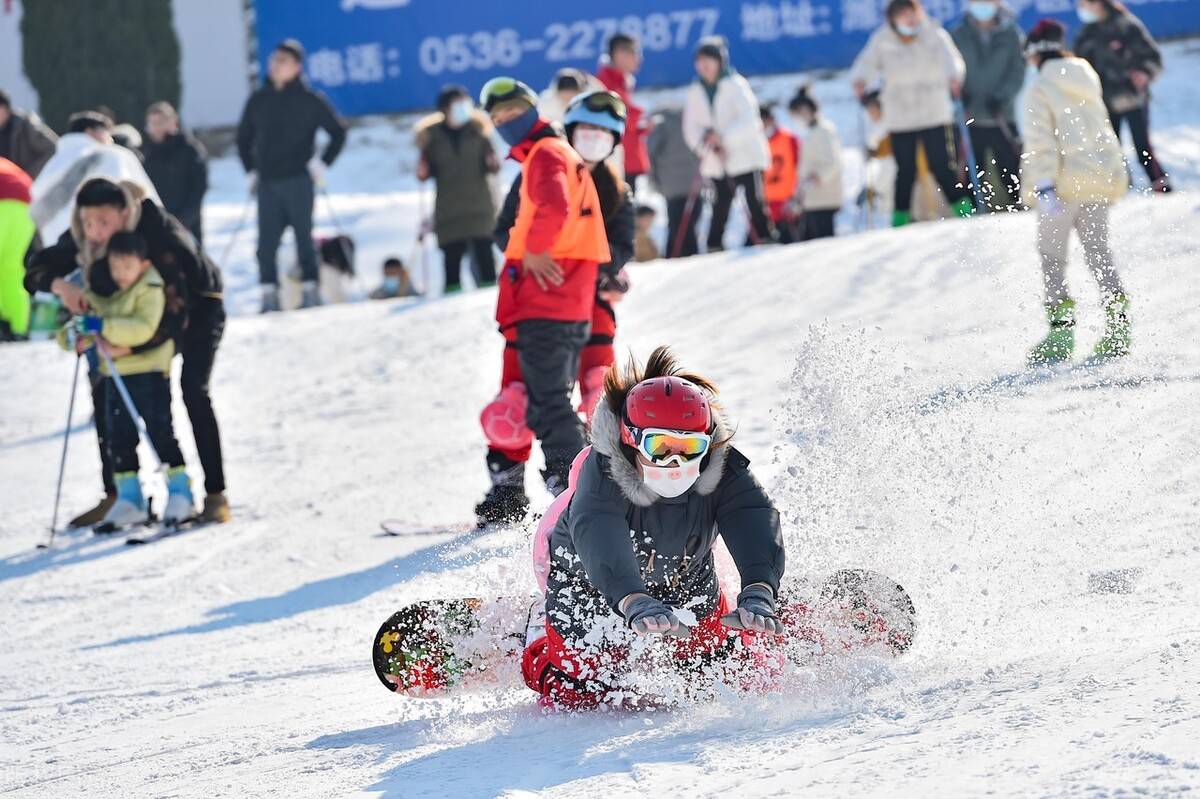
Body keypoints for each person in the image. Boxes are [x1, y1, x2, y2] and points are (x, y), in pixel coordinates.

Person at [520, 346, 786, 709]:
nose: (676, 460)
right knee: (581, 690)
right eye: (659, 447)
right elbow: (597, 528)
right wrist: (631, 597)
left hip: (683, 573)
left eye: (690, 447)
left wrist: (758, 586)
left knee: (719, 670)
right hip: (585, 577)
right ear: (630, 439)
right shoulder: (607, 471)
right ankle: (532, 635)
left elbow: (751, 513)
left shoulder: (720, 467)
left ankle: (729, 633)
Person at [25, 177, 230, 526]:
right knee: (105, 390)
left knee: (192, 390)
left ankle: (214, 493)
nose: (95, 232)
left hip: (197, 310)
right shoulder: (85, 231)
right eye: (88, 222)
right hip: (125, 318)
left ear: (124, 213)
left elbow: (174, 313)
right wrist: (62, 287)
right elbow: (34, 271)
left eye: (104, 222)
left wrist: (129, 346)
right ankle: (119, 494)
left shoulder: (158, 235)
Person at [474, 77, 610, 525]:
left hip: (547, 304)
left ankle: (577, 501)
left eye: (513, 111)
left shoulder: (547, 152)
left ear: (533, 108)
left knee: (548, 405)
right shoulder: (553, 152)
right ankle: (545, 495)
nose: (505, 122)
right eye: (498, 118)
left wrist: (535, 248)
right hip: (553, 303)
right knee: (536, 402)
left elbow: (553, 206)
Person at [55, 231, 194, 526]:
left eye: (127, 267)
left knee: (159, 431)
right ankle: (130, 498)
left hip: (150, 372)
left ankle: (181, 492)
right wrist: (75, 336)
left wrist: (101, 325)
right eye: (116, 267)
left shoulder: (151, 288)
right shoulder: (102, 291)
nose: (121, 275)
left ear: (142, 265)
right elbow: (84, 325)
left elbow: (140, 330)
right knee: (118, 437)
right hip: (114, 376)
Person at [1021, 19, 1130, 365]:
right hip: (1097, 180)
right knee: (1099, 253)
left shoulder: (1040, 88)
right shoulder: (1087, 78)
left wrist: (1044, 186)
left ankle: (1061, 333)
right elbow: (1103, 130)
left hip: (1062, 187)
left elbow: (1041, 142)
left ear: (1035, 54)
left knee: (1053, 257)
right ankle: (1119, 328)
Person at [237, 38, 347, 312]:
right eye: (274, 60)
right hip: (268, 181)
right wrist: (250, 169)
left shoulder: (309, 100)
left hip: (299, 178)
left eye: (282, 61)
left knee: (304, 239)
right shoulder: (259, 100)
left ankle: (311, 290)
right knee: (266, 243)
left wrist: (322, 163)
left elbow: (338, 132)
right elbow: (243, 138)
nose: (275, 66)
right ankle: (269, 294)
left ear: (297, 67)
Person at [851, 0, 975, 227]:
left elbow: (952, 60)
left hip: (934, 112)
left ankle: (966, 213)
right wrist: (860, 80)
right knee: (905, 171)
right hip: (901, 115)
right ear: (893, 19)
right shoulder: (882, 40)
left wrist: (954, 77)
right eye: (904, 16)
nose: (911, 20)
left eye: (913, 15)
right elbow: (866, 64)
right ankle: (900, 220)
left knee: (943, 167)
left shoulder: (934, 34)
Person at [683, 36, 773, 251]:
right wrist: (706, 143)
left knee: (754, 200)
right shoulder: (695, 90)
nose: (704, 65)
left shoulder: (736, 84)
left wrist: (723, 138)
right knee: (720, 203)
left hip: (745, 155)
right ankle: (714, 245)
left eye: (709, 60)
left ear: (719, 61)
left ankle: (765, 238)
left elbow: (750, 121)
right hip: (716, 158)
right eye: (700, 61)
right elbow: (690, 127)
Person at [1074, 0, 1171, 193]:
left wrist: (1144, 73)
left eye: (1086, 4)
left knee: (1142, 146)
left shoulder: (1126, 25)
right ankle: (1120, 189)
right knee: (1110, 149)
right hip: (1104, 100)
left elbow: (1153, 58)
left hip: (1132, 97)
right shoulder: (1088, 33)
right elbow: (1079, 63)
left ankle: (1161, 186)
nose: (1083, 9)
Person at [415, 85, 499, 294]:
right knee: (451, 257)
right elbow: (424, 172)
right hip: (449, 207)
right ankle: (451, 299)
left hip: (478, 204)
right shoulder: (431, 138)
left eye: (465, 102)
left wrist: (493, 162)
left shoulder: (478, 131)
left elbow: (494, 166)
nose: (463, 108)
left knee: (484, 255)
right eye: (456, 104)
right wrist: (423, 170)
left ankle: (491, 296)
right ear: (444, 109)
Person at [950, 0, 1027, 210]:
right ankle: (972, 212)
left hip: (1001, 113)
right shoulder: (958, 34)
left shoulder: (1011, 33)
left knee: (1009, 165)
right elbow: (950, 69)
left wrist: (1002, 96)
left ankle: (1018, 206)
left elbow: (1018, 71)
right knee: (969, 168)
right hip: (969, 115)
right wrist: (959, 92)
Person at [141, 101, 208, 246]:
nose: (156, 128)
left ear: (173, 122)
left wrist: (184, 220)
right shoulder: (146, 153)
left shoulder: (190, 150)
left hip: (186, 224)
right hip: (156, 225)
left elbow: (199, 188)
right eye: (152, 124)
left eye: (160, 122)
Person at [789, 88, 844, 241]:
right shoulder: (811, 132)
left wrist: (816, 178)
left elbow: (833, 163)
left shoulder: (824, 131)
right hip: (812, 200)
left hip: (823, 199)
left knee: (823, 243)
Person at [646, 107, 701, 258]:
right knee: (690, 220)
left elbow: (651, 153)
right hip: (693, 181)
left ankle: (673, 253)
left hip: (670, 183)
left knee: (676, 221)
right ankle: (690, 252)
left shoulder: (661, 128)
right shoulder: (691, 125)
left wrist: (654, 178)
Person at [596, 34, 649, 186]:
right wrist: (641, 118)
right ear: (619, 54)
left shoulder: (622, 82)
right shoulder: (606, 85)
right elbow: (622, 119)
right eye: (635, 52)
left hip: (626, 161)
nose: (639, 58)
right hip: (616, 162)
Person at [0, 158, 34, 341]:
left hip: (3, 200)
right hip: (26, 202)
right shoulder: (5, 162)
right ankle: (18, 327)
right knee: (10, 268)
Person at [760, 105, 802, 244]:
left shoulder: (789, 138)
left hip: (788, 202)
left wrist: (796, 196)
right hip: (767, 203)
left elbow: (800, 166)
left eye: (765, 121)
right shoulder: (758, 143)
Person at [0, 90, 57, 178]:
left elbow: (51, 150)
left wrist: (26, 175)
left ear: (5, 108)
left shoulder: (24, 125)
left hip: (30, 185)